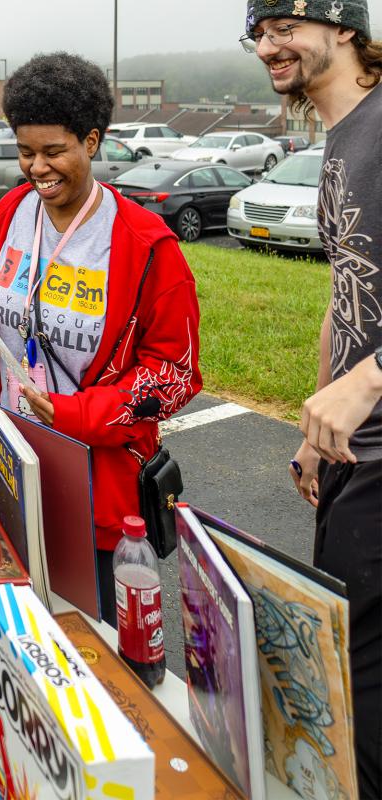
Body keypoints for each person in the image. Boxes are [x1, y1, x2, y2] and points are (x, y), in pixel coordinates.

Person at [0, 52, 201, 625]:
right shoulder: (10, 214)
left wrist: (81, 415)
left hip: (98, 484)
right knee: (16, 623)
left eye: (53, 151)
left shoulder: (146, 245)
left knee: (92, 642)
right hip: (9, 459)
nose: (36, 168)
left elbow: (176, 373)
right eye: (25, 151)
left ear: (92, 141)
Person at [245, 1, 382, 792]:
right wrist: (317, 414)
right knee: (346, 665)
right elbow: (346, 291)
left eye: (284, 26)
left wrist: (370, 378)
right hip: (352, 450)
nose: (269, 45)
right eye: (258, 33)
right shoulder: (339, 140)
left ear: (345, 27)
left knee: (360, 677)